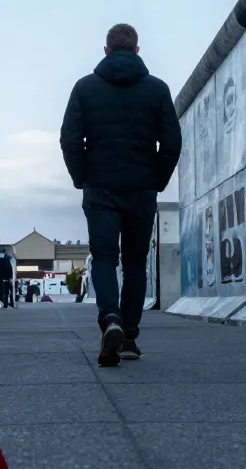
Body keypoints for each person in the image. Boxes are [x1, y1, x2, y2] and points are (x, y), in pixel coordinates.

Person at [60, 23, 181, 367]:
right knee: (135, 264)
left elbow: (69, 138)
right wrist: (156, 179)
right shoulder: (157, 90)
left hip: (100, 188)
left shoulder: (85, 88)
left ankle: (109, 319)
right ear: (138, 51)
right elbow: (172, 141)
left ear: (106, 51)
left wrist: (81, 176)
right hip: (141, 189)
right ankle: (128, 336)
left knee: (104, 258)